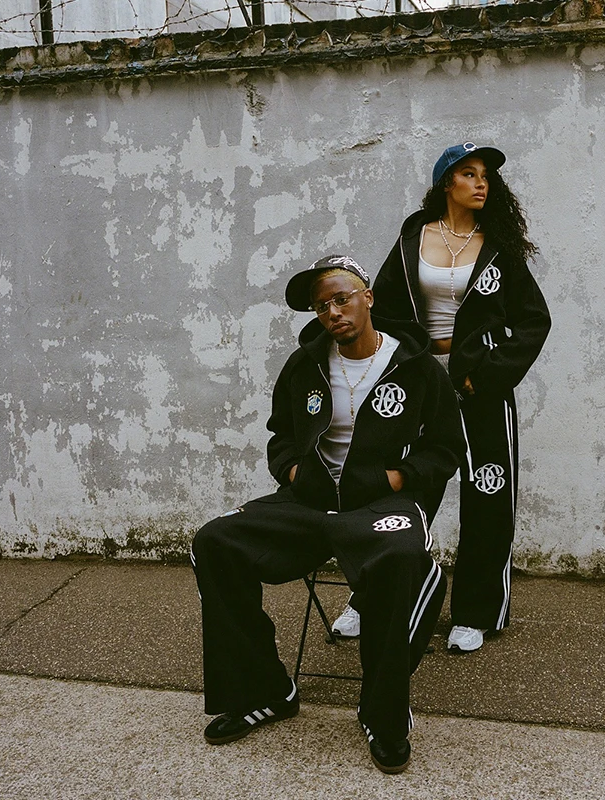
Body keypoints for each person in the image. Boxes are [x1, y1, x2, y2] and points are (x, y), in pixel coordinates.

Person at [191, 255, 465, 774]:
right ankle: (265, 691)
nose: (333, 312)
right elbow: (281, 435)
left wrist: (397, 479)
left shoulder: (416, 366)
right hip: (310, 502)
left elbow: (446, 448)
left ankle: (382, 713)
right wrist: (294, 472)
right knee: (216, 540)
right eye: (322, 306)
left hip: (379, 505)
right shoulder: (306, 364)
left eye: (342, 298)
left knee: (407, 561)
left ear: (368, 298)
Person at [331, 143, 551, 654]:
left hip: (481, 389)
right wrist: (398, 366)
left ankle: (474, 612)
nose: (482, 183)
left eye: (486, 175)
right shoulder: (413, 238)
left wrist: (486, 375)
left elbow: (533, 321)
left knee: (488, 495)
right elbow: (383, 310)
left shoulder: (499, 247)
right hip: (419, 386)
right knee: (399, 491)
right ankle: (371, 597)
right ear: (446, 183)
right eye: (469, 174)